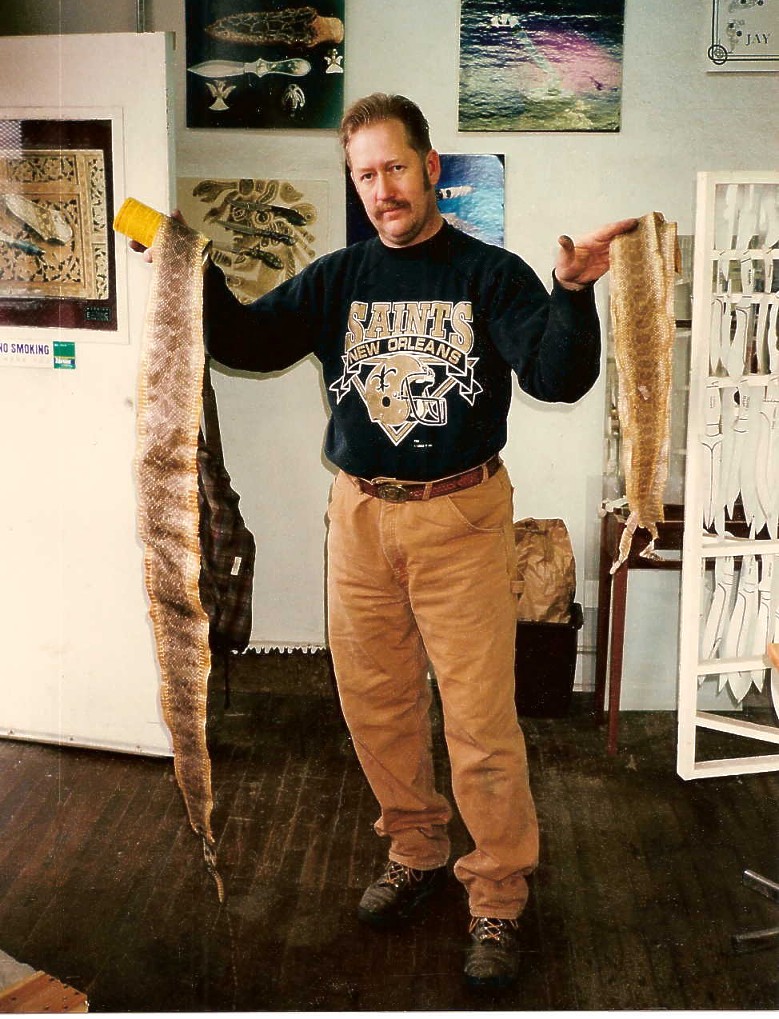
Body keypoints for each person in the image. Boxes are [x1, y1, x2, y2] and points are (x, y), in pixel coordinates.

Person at [137, 93, 635, 990]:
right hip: (359, 515)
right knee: (376, 702)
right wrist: (188, 265)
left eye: (393, 168)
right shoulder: (337, 277)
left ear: (430, 167)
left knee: (480, 719)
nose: (380, 189)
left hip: (461, 513)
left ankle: (497, 891)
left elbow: (558, 377)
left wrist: (571, 293)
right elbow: (246, 339)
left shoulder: (490, 275)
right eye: (363, 174)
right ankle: (414, 846)